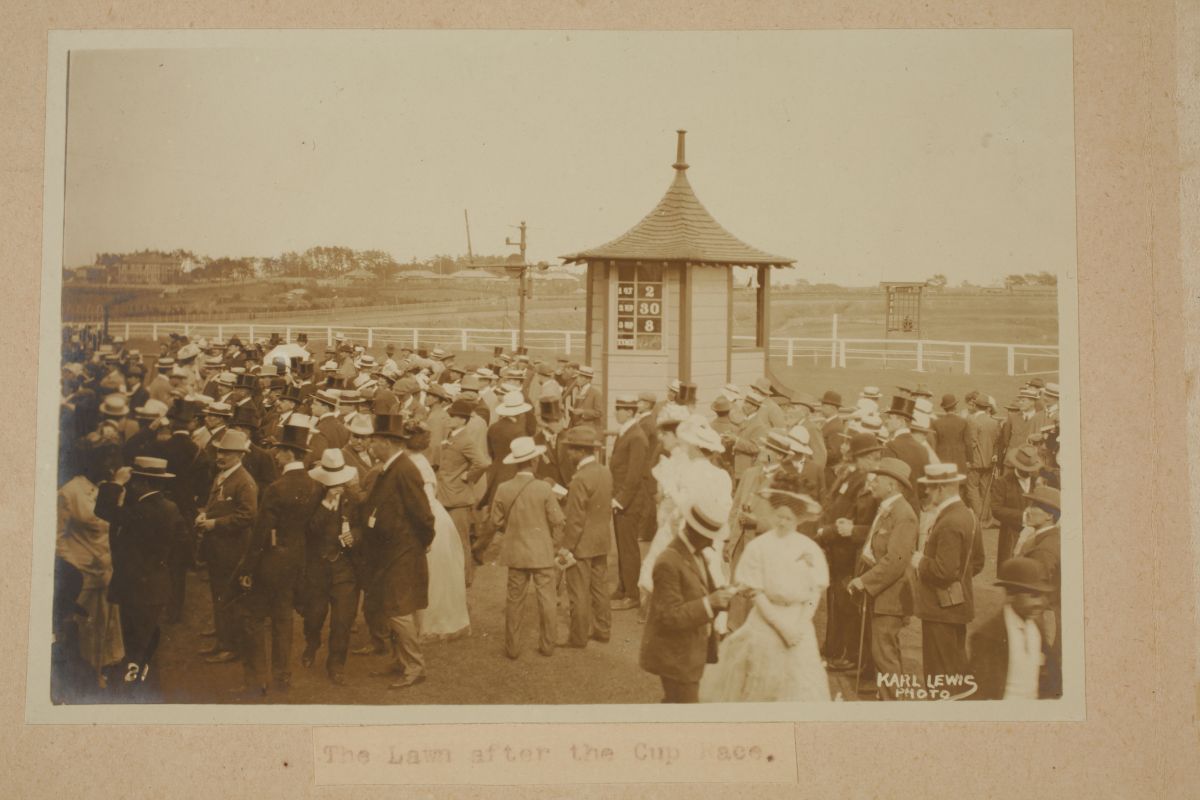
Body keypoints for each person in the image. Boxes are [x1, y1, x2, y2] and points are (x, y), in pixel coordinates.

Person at [701, 471, 830, 702]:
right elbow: (755, 592)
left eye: (788, 518)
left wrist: (799, 625)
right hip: (766, 621)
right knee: (761, 683)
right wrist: (781, 627)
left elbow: (814, 592)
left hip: (798, 624)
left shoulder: (808, 548)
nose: (782, 522)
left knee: (799, 686)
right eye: (779, 516)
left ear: (798, 520)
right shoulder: (759, 547)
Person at [237, 416, 321, 696]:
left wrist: (247, 569)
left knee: (254, 619)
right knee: (284, 620)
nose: (275, 454)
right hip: (295, 562)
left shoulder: (276, 488)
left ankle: (257, 678)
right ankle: (282, 677)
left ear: (289, 453)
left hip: (269, 562)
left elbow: (260, 534)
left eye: (280, 450)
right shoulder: (313, 486)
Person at [94, 457, 187, 698]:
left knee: (134, 646)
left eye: (134, 482)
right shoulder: (170, 507)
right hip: (157, 586)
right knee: (147, 643)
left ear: (142, 485)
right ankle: (146, 688)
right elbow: (181, 545)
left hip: (136, 590)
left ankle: (135, 693)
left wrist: (115, 483)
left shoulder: (140, 512)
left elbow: (103, 509)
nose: (131, 486)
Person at [361, 414, 437, 690]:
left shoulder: (404, 469)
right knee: (389, 607)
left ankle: (415, 666)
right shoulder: (390, 467)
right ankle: (400, 660)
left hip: (402, 552)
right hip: (389, 551)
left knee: (398, 610)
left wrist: (421, 542)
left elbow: (424, 515)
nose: (371, 446)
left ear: (388, 443)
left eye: (375, 441)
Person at [640, 493, 734, 703]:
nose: (712, 542)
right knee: (685, 714)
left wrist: (724, 594)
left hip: (689, 655)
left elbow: (702, 591)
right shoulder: (668, 562)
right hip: (676, 659)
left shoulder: (697, 554)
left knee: (675, 708)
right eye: (709, 535)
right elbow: (669, 615)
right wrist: (710, 603)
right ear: (695, 533)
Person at [848, 458, 919, 700]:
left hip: (890, 596)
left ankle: (891, 705)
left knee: (884, 653)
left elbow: (895, 562)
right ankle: (888, 697)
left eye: (878, 479)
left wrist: (865, 581)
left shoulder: (903, 514)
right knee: (884, 651)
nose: (873, 483)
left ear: (892, 485)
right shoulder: (886, 508)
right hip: (881, 593)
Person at [55, 441, 125, 685]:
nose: (110, 469)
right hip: (81, 575)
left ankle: (100, 673)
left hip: (105, 569)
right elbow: (56, 536)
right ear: (89, 464)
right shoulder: (69, 492)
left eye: (113, 463)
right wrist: (73, 565)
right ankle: (77, 679)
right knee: (80, 628)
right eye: (105, 462)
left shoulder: (107, 490)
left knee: (104, 626)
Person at [491, 436, 565, 659]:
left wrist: (513, 528)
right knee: (547, 599)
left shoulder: (504, 488)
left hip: (515, 552)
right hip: (541, 551)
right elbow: (558, 521)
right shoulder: (543, 488)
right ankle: (547, 645)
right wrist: (553, 545)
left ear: (515, 462)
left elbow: (495, 521)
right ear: (533, 462)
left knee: (514, 600)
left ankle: (512, 648)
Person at [814, 432, 882, 673]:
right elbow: (833, 505)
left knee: (847, 605)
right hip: (836, 549)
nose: (873, 460)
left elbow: (865, 521)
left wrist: (829, 531)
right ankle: (833, 649)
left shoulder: (866, 481)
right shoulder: (851, 474)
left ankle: (847, 654)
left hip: (849, 553)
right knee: (836, 602)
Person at [911, 463, 984, 688]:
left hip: (940, 609)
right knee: (953, 669)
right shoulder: (967, 515)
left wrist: (920, 561)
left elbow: (943, 571)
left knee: (940, 674)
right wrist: (959, 579)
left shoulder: (950, 521)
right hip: (957, 604)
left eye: (931, 488)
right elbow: (978, 562)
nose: (926, 492)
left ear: (942, 488)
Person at [195, 429, 259, 665]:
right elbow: (217, 506)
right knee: (219, 596)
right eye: (220, 451)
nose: (220, 456)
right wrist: (204, 516)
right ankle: (223, 641)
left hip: (232, 550)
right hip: (218, 549)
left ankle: (231, 646)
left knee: (229, 599)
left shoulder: (244, 482)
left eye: (227, 453)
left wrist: (214, 523)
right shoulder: (223, 475)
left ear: (239, 455)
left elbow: (248, 516)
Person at [298, 449, 361, 685]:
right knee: (314, 617)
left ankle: (336, 664)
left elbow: (362, 527)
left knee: (342, 621)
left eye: (340, 482)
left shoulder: (352, 500)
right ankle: (312, 643)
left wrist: (354, 536)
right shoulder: (312, 500)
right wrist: (326, 505)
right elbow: (308, 531)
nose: (338, 486)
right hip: (317, 568)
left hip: (344, 569)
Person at [407, 425, 470, 642]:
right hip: (436, 518)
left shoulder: (416, 464)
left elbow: (422, 501)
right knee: (437, 574)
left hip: (430, 521)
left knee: (432, 575)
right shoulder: (418, 461)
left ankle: (432, 624)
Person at [967, 557, 1055, 700]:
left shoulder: (1036, 629)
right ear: (1011, 595)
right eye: (1033, 596)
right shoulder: (988, 636)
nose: (1040, 603)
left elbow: (1050, 679)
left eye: (1043, 596)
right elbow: (978, 694)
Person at [558, 427, 613, 648]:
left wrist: (566, 547)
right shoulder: (604, 471)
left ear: (580, 451)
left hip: (581, 543)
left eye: (571, 450)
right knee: (599, 588)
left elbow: (575, 520)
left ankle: (578, 637)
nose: (569, 454)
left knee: (578, 591)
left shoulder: (579, 478)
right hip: (601, 539)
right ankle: (603, 629)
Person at [437, 397, 491, 587]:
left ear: (462, 419)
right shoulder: (452, 437)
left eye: (452, 416)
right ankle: (452, 577)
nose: (449, 418)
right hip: (446, 495)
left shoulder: (465, 439)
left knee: (461, 541)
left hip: (458, 498)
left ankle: (465, 579)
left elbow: (483, 462)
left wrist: (468, 476)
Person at [1014, 484, 1062, 698]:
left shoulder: (1044, 548)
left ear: (1050, 516)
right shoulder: (1044, 538)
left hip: (1042, 616)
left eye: (1037, 506)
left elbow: (1037, 591)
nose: (1030, 509)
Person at [609, 394, 650, 611]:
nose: (616, 412)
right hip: (620, 499)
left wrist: (620, 500)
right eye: (617, 408)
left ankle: (633, 594)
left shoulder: (636, 437)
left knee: (629, 548)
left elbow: (634, 476)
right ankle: (623, 587)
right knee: (622, 546)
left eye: (620, 409)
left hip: (629, 502)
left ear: (631, 412)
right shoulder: (626, 432)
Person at [991, 444, 1044, 565]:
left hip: (1034, 535)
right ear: (1017, 466)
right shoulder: (1003, 482)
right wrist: (1023, 517)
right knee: (1010, 569)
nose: (1028, 473)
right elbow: (996, 509)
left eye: (1031, 470)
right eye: (1025, 470)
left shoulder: (1038, 481)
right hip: (1011, 534)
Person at [932, 394, 968, 467]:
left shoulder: (936, 423)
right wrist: (970, 459)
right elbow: (968, 442)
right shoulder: (963, 422)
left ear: (944, 408)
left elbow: (934, 442)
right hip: (959, 458)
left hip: (942, 458)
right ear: (955, 407)